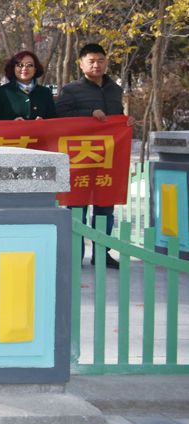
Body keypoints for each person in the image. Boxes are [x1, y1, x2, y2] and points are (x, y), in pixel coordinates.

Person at [56, 42, 133, 268]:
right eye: (91, 61)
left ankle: (102, 253)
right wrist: (89, 113)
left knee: (105, 207)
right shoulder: (71, 90)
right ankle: (75, 254)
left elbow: (116, 117)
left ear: (106, 62)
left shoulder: (114, 89)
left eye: (100, 60)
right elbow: (60, 116)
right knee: (77, 207)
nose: (96, 65)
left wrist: (126, 121)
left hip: (108, 158)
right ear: (81, 64)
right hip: (80, 158)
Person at [0, 50, 56, 121]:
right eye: (20, 65)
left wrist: (44, 123)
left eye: (29, 65)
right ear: (13, 68)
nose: (24, 68)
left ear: (35, 69)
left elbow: (54, 121)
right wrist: (12, 123)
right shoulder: (0, 92)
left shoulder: (45, 92)